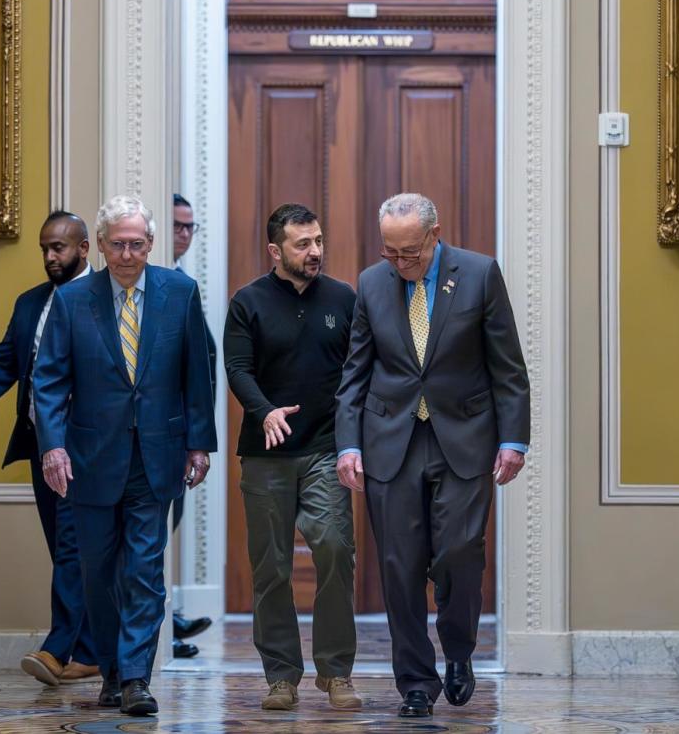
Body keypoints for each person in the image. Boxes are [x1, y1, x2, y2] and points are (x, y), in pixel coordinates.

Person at [334, 193, 530, 718]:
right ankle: (415, 682)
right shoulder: (372, 283)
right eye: (390, 254)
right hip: (389, 440)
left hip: (463, 437)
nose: (401, 264)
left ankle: (460, 651)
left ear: (434, 234)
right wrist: (348, 443)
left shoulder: (480, 274)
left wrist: (514, 440)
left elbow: (507, 366)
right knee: (399, 566)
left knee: (460, 553)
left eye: (411, 254)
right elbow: (355, 372)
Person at [33, 195, 216, 716]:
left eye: (137, 244)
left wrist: (199, 443)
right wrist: (52, 446)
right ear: (102, 245)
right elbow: (48, 380)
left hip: (156, 455)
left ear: (151, 245)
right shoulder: (73, 300)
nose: (128, 254)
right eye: (118, 244)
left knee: (143, 570)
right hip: (90, 457)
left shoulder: (179, 292)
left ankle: (136, 678)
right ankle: (111, 671)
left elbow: (195, 375)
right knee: (97, 572)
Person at [0, 211, 99, 686]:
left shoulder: (104, 298)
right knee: (65, 549)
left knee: (74, 546)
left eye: (60, 248)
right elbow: (4, 361)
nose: (51, 257)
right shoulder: (30, 303)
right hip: (39, 445)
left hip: (85, 449)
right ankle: (92, 651)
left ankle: (57, 649)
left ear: (84, 249)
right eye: (45, 249)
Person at [224, 203, 360, 711]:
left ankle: (336, 672)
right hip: (266, 454)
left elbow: (358, 370)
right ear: (275, 251)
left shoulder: (343, 298)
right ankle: (281, 675)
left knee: (333, 549)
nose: (315, 252)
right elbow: (237, 368)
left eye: (318, 241)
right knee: (272, 567)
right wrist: (264, 412)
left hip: (326, 447)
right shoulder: (248, 302)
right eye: (302, 244)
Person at [168, 193, 215, 658]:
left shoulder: (184, 284)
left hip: (182, 432)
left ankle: (167, 622)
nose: (184, 234)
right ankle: (164, 626)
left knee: (165, 530)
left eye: (190, 227)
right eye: (177, 225)